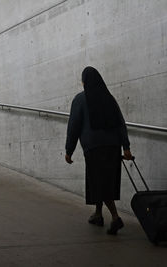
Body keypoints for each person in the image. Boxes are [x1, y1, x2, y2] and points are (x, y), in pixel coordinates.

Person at [65, 66, 133, 235]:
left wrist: (69, 150)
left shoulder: (80, 100)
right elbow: (120, 123)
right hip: (113, 147)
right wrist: (126, 148)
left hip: (94, 148)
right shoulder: (109, 99)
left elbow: (73, 126)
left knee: (100, 183)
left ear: (85, 82)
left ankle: (116, 218)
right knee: (103, 181)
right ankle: (98, 214)